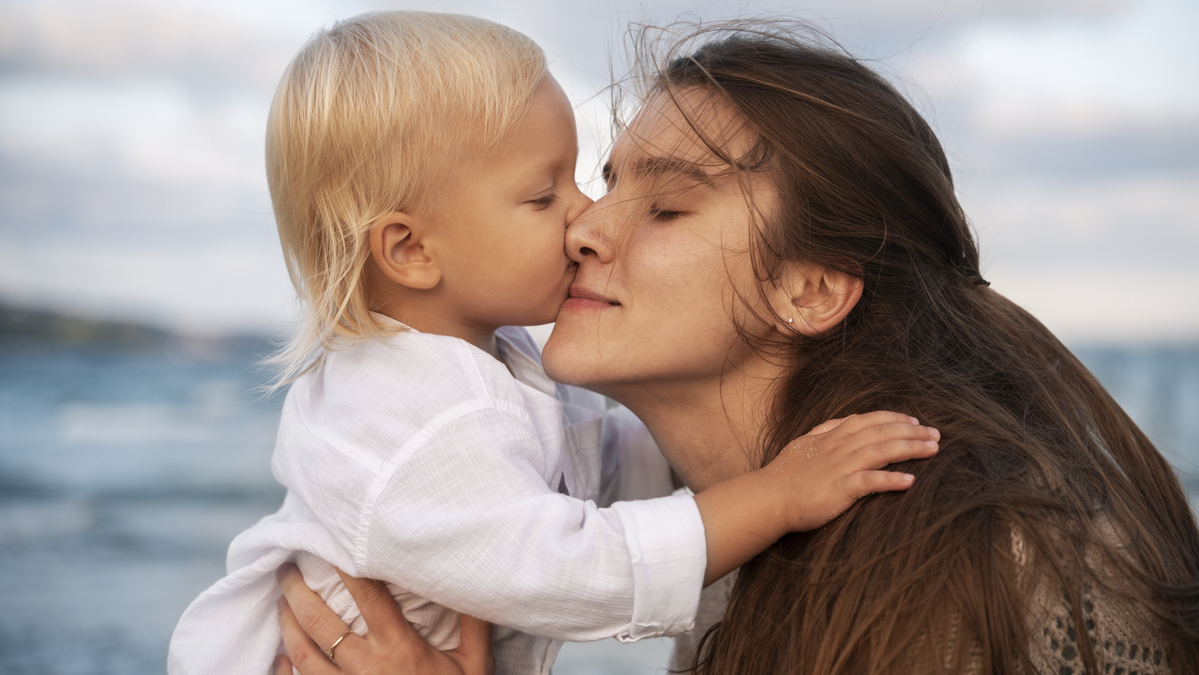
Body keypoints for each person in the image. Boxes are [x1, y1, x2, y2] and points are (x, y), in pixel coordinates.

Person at [272, 20, 1199, 675]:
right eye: (597, 185)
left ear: (809, 289)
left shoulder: (985, 570)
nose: (588, 228)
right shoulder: (752, 547)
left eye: (666, 206)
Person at [167, 13, 941, 675]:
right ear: (409, 250)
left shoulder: (480, 363)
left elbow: (596, 465)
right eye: (544, 196)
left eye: (660, 206)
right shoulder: (409, 417)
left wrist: (753, 456)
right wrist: (772, 495)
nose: (584, 219)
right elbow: (575, 567)